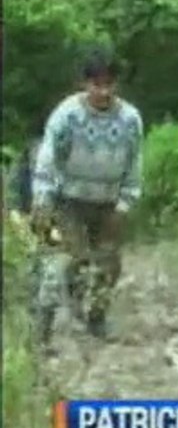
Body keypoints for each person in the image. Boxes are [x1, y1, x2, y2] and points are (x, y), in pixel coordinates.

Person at [31, 47, 144, 339]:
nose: (103, 91)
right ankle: (43, 325)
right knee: (71, 258)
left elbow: (134, 164)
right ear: (85, 83)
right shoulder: (67, 115)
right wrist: (42, 197)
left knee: (109, 263)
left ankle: (96, 317)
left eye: (109, 84)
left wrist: (125, 204)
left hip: (108, 201)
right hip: (69, 200)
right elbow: (48, 157)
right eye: (97, 84)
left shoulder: (130, 119)